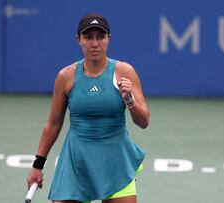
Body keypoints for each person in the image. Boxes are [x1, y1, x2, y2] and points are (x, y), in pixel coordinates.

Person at [26, 13, 150, 203]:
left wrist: (129, 100)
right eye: (88, 37)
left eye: (100, 37)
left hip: (115, 159)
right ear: (79, 40)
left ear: (109, 38)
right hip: (77, 161)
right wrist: (37, 165)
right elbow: (53, 124)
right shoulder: (65, 77)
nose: (94, 43)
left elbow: (144, 122)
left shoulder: (124, 71)